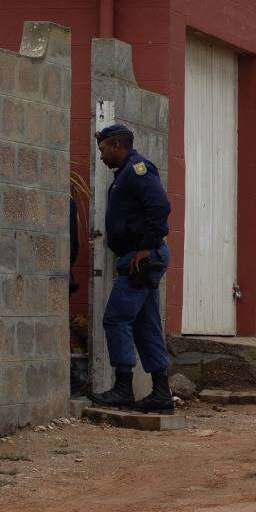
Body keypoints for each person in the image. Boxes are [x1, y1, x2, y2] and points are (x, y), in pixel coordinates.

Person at [89, 124, 175, 414]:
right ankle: (162, 393)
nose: (101, 156)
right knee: (145, 324)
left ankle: (123, 387)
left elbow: (160, 207)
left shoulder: (137, 170)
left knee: (115, 319)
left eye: (103, 150)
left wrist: (145, 247)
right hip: (138, 257)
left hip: (141, 259)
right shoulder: (126, 173)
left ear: (117, 146)